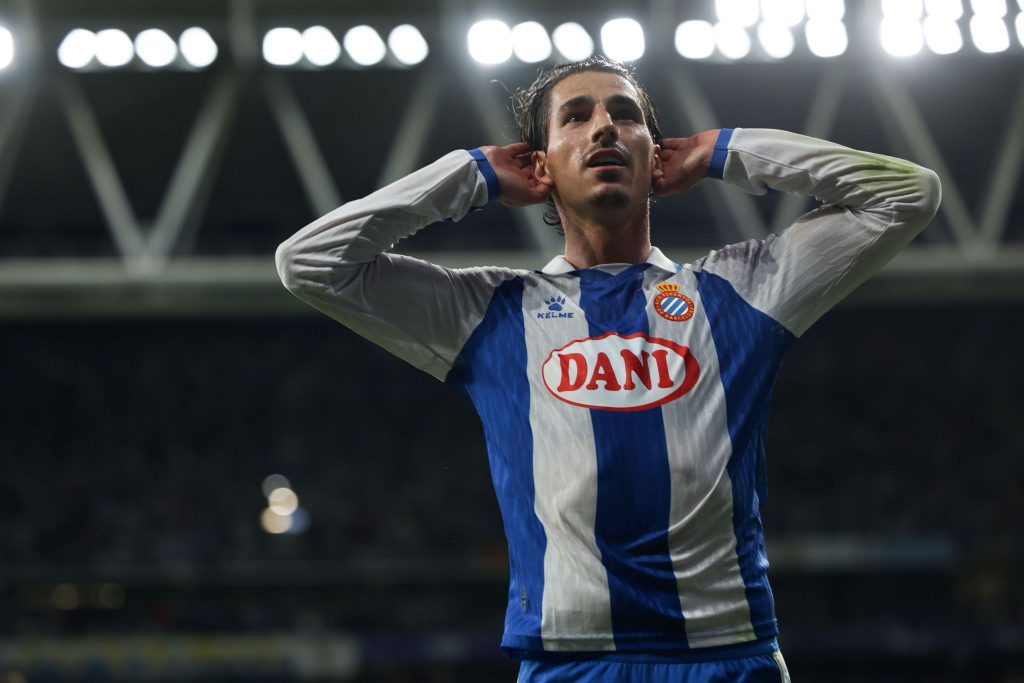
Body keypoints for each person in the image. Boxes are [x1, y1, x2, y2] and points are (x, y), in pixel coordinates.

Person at [275, 57, 941, 682]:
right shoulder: (490, 313)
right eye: (577, 116)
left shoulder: (742, 290)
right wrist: (470, 173)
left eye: (626, 115)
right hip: (571, 660)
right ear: (538, 167)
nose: (604, 127)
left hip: (728, 654)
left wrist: (722, 150)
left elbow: (908, 193)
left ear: (659, 158)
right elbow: (307, 263)